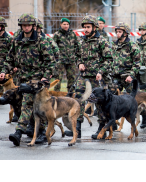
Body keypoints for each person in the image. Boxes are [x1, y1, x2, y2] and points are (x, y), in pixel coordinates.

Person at [0, 13, 56, 146]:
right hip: (21, 78)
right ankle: (32, 127)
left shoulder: (41, 41)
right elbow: (10, 59)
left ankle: (23, 132)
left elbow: (51, 62)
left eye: (29, 25)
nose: (26, 27)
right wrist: (4, 71)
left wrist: (45, 77)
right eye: (24, 25)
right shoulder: (17, 41)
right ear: (21, 26)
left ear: (33, 26)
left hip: (37, 80)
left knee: (28, 104)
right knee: (20, 104)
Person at [63, 15, 113, 139]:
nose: (86, 29)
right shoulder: (81, 40)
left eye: (88, 27)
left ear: (94, 28)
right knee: (78, 101)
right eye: (84, 27)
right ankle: (77, 129)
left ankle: (101, 129)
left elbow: (109, 59)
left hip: (97, 77)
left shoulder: (102, 41)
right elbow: (77, 55)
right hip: (83, 76)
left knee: (99, 104)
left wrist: (101, 72)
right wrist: (79, 63)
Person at [110, 22, 141, 94]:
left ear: (125, 33)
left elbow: (137, 63)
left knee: (132, 98)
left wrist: (131, 75)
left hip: (128, 77)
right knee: (113, 98)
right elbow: (111, 60)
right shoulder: (114, 45)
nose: (117, 33)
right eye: (117, 32)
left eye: (120, 32)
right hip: (116, 77)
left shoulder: (132, 46)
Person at [53, 18, 80, 91]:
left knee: (72, 79)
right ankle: (57, 96)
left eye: (67, 24)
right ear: (61, 24)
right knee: (58, 79)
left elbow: (76, 45)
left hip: (71, 60)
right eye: (64, 24)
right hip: (60, 61)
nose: (66, 26)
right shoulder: (57, 35)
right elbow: (53, 47)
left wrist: (76, 55)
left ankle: (71, 95)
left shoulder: (72, 34)